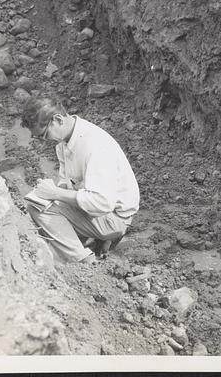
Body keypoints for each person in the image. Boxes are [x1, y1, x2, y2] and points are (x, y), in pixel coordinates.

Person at [21, 97, 140, 264]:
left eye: (44, 134)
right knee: (44, 203)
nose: (44, 140)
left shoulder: (95, 147)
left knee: (37, 210)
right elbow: (67, 182)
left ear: (58, 119)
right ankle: (92, 238)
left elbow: (102, 202)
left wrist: (55, 193)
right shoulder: (65, 141)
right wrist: (55, 192)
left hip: (114, 217)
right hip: (99, 211)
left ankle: (85, 260)